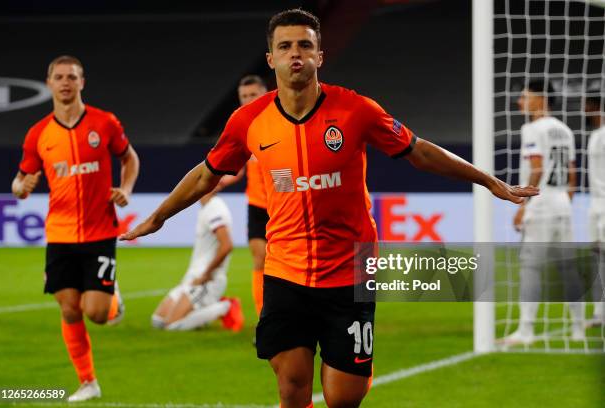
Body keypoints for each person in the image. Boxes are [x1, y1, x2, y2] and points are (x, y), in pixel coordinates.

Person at [121, 9, 537, 408]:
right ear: (271, 58)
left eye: (305, 44)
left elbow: (419, 151)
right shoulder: (248, 121)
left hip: (350, 269)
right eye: (285, 46)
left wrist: (487, 180)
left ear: (320, 55)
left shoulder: (356, 110)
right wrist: (158, 217)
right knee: (292, 386)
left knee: (343, 398)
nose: (295, 53)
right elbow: (205, 175)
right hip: (286, 271)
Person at [11, 55, 140, 402]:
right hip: (60, 234)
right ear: (49, 83)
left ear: (82, 82)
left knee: (97, 314)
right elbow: (20, 180)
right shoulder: (39, 134)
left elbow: (129, 158)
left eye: (72, 76)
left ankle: (113, 299)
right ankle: (88, 382)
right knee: (69, 308)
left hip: (99, 231)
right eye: (59, 77)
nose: (65, 82)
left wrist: (125, 190)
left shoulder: (104, 123)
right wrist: (20, 188)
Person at [504, 80, 584, 345]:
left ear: (541, 99)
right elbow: (573, 174)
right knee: (567, 268)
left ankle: (525, 330)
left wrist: (522, 205)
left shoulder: (532, 129)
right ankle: (578, 328)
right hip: (562, 201)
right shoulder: (564, 130)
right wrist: (564, 200)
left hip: (540, 204)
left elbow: (536, 168)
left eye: (525, 97)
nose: (520, 102)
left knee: (530, 268)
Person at [151, 189, 244, 331]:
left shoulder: (215, 208)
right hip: (193, 277)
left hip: (207, 279)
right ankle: (201, 316)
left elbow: (227, 245)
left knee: (172, 326)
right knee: (158, 321)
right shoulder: (206, 207)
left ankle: (225, 307)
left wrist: (206, 274)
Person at [219, 75, 269, 318]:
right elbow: (236, 166)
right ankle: (263, 320)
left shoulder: (278, 121)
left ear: (264, 94)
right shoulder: (242, 126)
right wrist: (219, 181)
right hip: (257, 205)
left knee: (287, 265)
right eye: (244, 97)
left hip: (284, 206)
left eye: (253, 95)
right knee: (260, 259)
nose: (248, 100)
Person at [585, 94, 605, 327]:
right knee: (598, 261)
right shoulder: (595, 136)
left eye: (586, 106)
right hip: (595, 205)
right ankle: (600, 314)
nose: (584, 111)